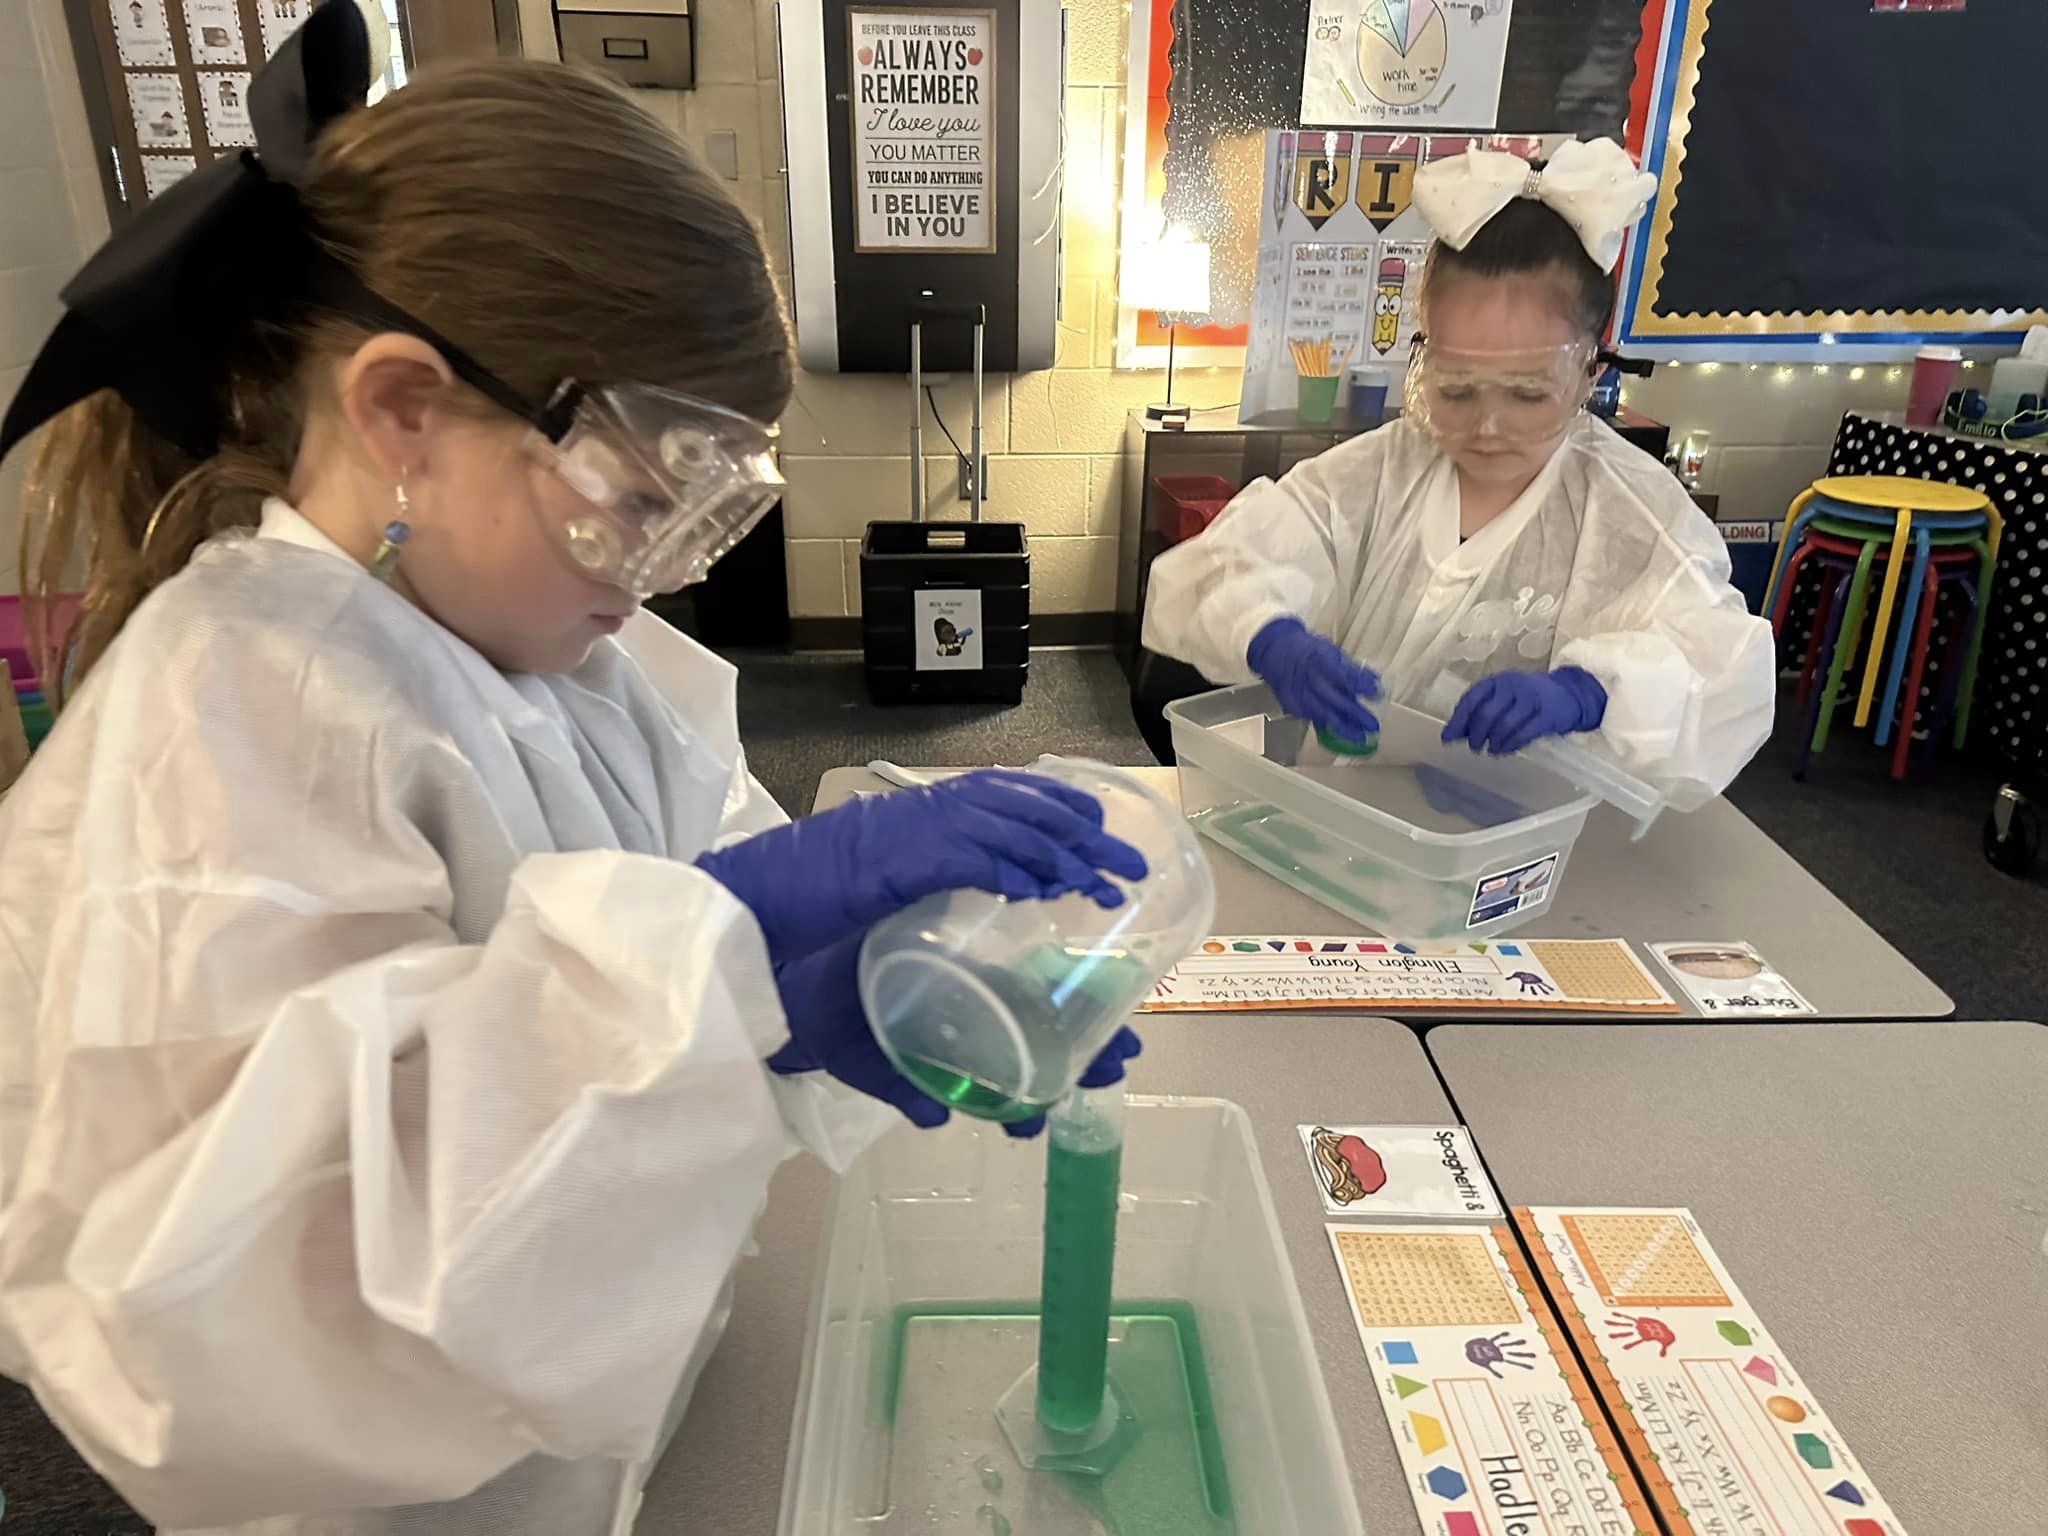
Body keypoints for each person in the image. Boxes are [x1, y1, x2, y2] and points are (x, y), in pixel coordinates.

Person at [0, 7, 1144, 1533]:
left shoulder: (555, 654)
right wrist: (722, 955)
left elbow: (670, 939)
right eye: (636, 496)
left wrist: (809, 1003)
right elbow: (244, 1300)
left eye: (702, 511)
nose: (662, 569)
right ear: (404, 411)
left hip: (611, 1435)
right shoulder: (231, 714)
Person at [1143, 138, 1775, 809]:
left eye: (1527, 393)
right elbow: (1222, 566)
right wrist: (1273, 637)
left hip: (1522, 840)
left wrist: (1591, 694)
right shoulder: (1378, 472)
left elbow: (1722, 673)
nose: (1488, 427)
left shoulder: (1630, 513)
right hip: (1341, 813)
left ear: (1591, 370)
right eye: (1457, 389)